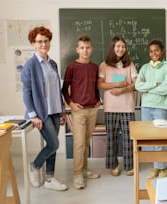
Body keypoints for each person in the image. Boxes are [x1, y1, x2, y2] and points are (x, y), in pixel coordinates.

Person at [21, 26, 68, 191]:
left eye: (46, 41)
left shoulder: (52, 63)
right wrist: (33, 115)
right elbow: (26, 93)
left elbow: (57, 89)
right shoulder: (30, 65)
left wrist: (63, 111)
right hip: (42, 113)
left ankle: (49, 179)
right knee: (54, 144)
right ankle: (35, 165)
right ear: (33, 44)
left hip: (55, 110)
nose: (43, 44)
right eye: (39, 41)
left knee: (52, 144)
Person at [62, 35, 101, 190]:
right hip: (78, 111)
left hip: (93, 109)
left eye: (88, 47)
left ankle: (84, 170)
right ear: (77, 49)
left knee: (85, 142)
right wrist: (71, 104)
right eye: (82, 48)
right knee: (79, 144)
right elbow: (64, 89)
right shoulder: (72, 67)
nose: (85, 50)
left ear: (91, 49)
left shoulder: (94, 67)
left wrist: (98, 99)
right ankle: (77, 174)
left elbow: (95, 86)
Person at [98, 36, 137, 177]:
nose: (121, 49)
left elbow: (135, 84)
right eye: (118, 46)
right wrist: (116, 84)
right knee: (111, 138)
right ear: (113, 47)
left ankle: (129, 165)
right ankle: (113, 165)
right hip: (111, 107)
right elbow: (100, 84)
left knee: (129, 138)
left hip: (127, 106)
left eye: (123, 46)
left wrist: (123, 90)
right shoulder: (104, 65)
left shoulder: (130, 64)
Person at [135, 39, 167, 179]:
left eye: (156, 50)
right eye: (151, 51)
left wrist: (149, 88)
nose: (154, 53)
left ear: (162, 51)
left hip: (161, 106)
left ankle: (162, 167)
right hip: (146, 106)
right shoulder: (145, 68)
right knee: (150, 138)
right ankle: (156, 166)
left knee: (160, 138)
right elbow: (138, 86)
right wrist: (156, 84)